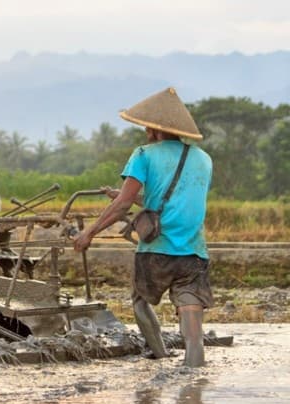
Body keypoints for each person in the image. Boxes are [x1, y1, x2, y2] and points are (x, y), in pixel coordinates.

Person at [73, 87, 213, 367]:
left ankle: (160, 356)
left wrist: (89, 232)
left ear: (156, 129)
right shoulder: (203, 159)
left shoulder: (143, 155)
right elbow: (172, 201)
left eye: (147, 127)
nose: (145, 132)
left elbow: (124, 204)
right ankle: (195, 377)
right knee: (192, 319)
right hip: (193, 252)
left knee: (140, 300)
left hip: (155, 249)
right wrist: (127, 197)